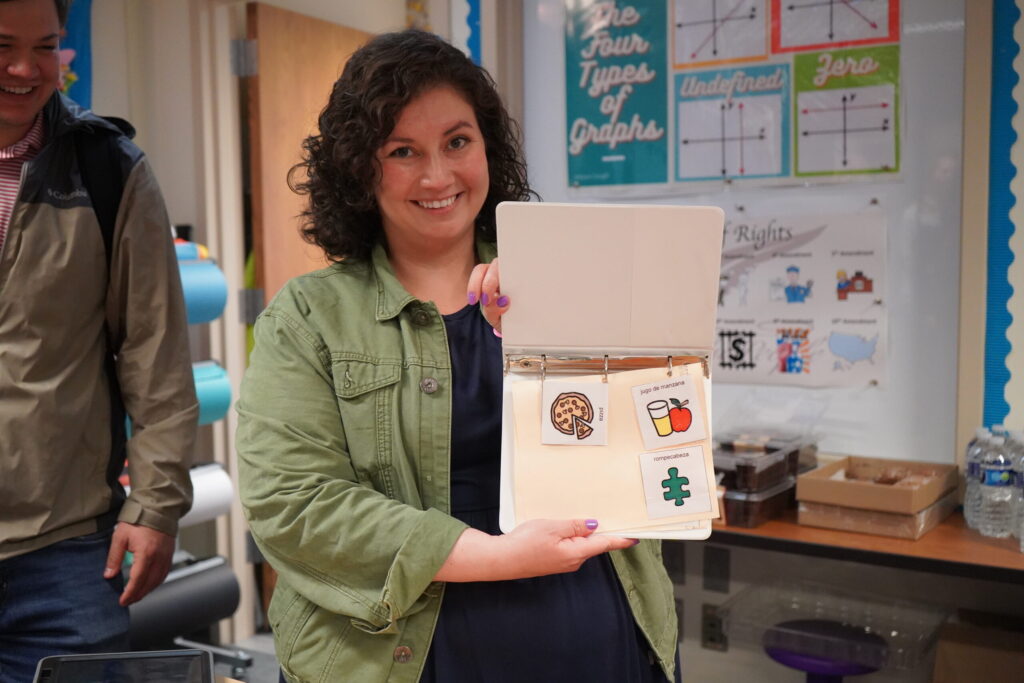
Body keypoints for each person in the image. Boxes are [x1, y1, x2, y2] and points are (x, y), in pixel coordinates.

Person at [236, 29, 680, 683]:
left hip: (594, 632)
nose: (438, 175)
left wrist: (552, 329)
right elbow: (294, 505)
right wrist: (501, 556)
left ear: (488, 147)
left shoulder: (569, 275)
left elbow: (660, 433)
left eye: (457, 141)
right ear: (362, 167)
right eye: (403, 151)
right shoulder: (309, 317)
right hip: (403, 653)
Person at [0, 0, 198, 679]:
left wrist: (156, 504)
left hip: (62, 555)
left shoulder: (108, 169)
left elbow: (157, 357)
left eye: (46, 46)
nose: (26, 69)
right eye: (3, 44)